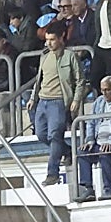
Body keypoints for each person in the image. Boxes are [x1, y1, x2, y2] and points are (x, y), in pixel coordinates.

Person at [28, 24, 83, 186]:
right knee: (41, 134)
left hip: (59, 101)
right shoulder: (44, 56)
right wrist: (33, 98)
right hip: (42, 100)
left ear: (61, 38)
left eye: (52, 40)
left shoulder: (70, 56)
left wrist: (76, 100)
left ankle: (52, 173)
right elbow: (39, 80)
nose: (49, 43)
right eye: (47, 40)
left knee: (54, 136)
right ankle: (68, 151)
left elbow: (80, 81)